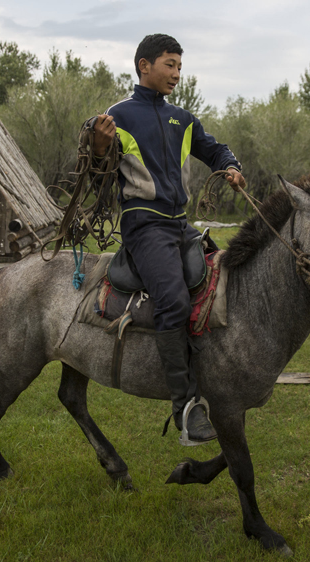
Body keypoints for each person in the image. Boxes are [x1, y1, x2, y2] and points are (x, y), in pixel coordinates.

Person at [91, 33, 245, 444]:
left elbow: (215, 150)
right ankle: (186, 408)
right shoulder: (117, 116)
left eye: (179, 65)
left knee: (220, 283)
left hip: (181, 224)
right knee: (174, 301)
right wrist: (100, 146)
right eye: (169, 64)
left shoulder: (183, 118)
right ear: (144, 65)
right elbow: (97, 177)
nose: (177, 73)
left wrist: (230, 166)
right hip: (144, 225)